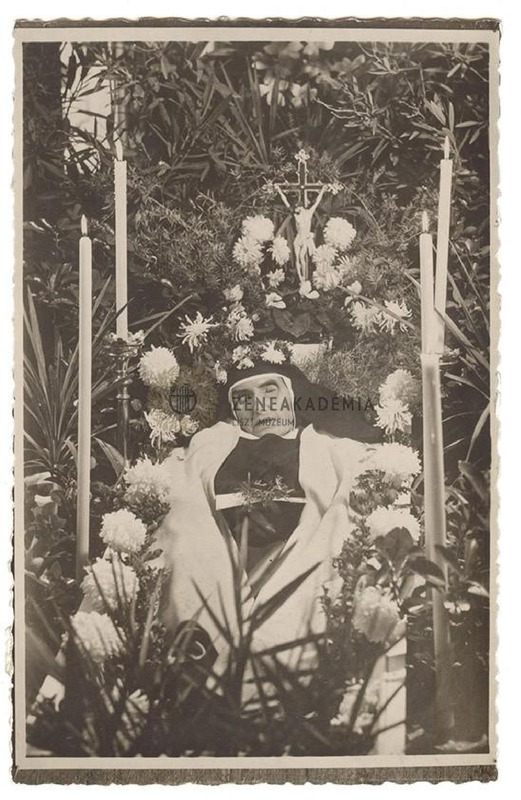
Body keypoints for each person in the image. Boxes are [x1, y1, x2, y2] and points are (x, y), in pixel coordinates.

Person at [158, 358, 383, 683]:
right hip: (223, 559)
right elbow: (185, 498)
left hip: (299, 556)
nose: (259, 405)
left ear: (293, 396)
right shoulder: (210, 445)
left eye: (270, 391)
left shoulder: (330, 447)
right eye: (244, 398)